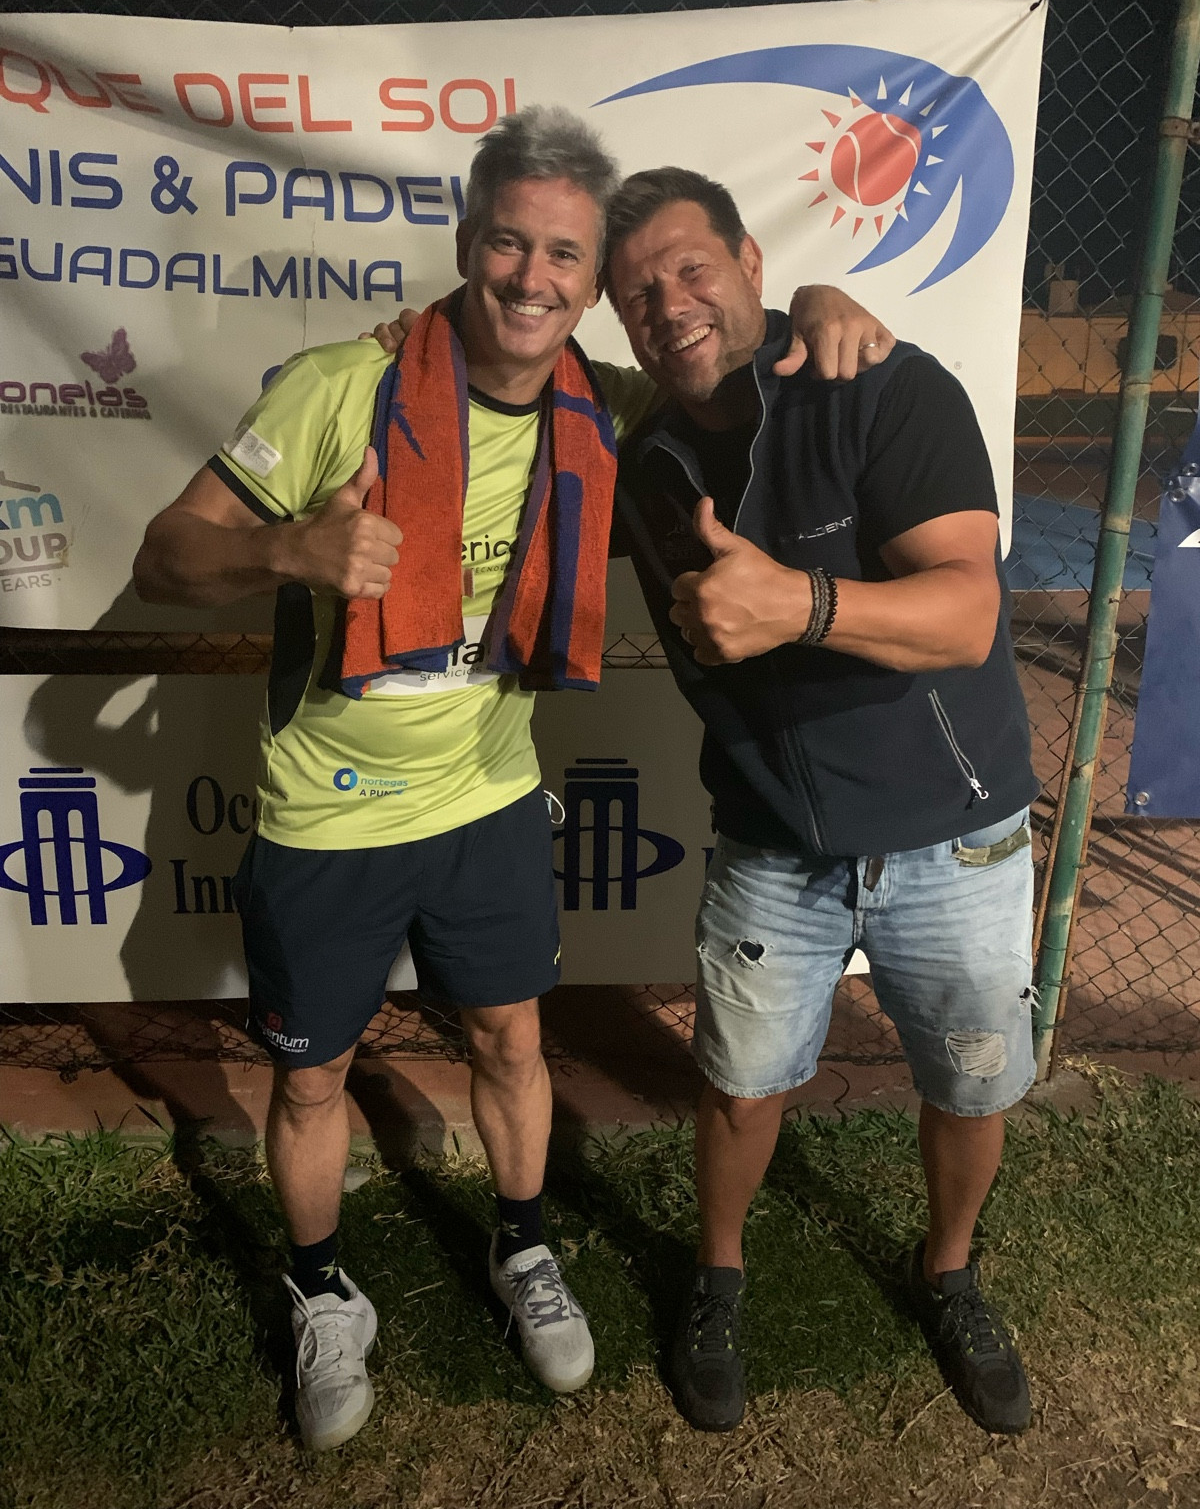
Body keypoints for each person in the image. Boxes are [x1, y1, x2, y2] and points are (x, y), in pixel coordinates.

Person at [132, 107, 890, 1452]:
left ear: (591, 285)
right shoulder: (338, 388)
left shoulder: (607, 401)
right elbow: (163, 555)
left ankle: (522, 1244)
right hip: (327, 815)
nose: (532, 277)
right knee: (311, 1081)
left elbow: (731, 354)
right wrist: (286, 554)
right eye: (507, 243)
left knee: (512, 1043)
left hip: (487, 802)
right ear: (466, 245)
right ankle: (322, 1290)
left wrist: (823, 303)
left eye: (563, 255)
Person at [603, 167, 1040, 1438]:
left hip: (954, 836)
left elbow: (967, 614)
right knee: (741, 1086)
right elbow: (515, 376)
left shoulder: (886, 387)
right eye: (639, 293)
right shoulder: (642, 448)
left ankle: (949, 1271)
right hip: (773, 842)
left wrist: (797, 603)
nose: (670, 304)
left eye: (691, 269)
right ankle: (718, 1276)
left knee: (970, 1082)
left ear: (752, 262)